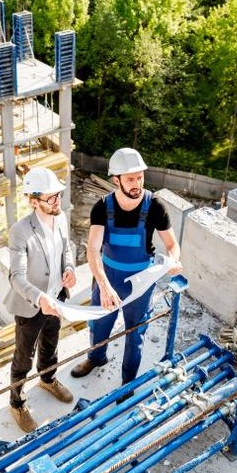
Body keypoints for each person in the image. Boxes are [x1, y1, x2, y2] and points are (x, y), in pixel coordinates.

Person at [71, 148, 182, 386]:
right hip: (108, 277)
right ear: (116, 180)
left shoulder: (155, 207)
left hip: (142, 282)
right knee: (99, 325)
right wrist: (104, 286)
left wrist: (174, 261)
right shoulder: (102, 207)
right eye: (130, 179)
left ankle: (127, 382)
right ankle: (96, 358)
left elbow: (172, 245)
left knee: (135, 334)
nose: (137, 184)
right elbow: (92, 250)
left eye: (140, 177)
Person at [4, 167, 77, 432]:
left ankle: (48, 378)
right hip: (31, 305)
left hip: (56, 297)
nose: (57, 202)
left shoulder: (62, 218)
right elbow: (16, 277)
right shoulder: (21, 231)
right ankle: (17, 402)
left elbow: (66, 249)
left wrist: (69, 268)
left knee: (51, 342)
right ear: (33, 201)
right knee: (23, 357)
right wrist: (40, 298)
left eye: (58, 195)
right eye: (50, 198)